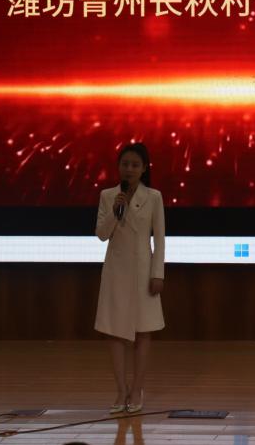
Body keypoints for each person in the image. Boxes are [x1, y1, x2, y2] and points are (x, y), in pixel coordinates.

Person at [95, 142, 165, 414]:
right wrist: (115, 212)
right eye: (125, 164)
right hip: (116, 271)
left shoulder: (154, 197)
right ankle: (121, 390)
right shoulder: (108, 195)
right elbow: (102, 234)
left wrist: (158, 273)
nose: (129, 169)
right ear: (118, 167)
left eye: (135, 165)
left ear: (144, 168)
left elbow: (159, 240)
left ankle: (137, 389)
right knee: (114, 330)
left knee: (143, 330)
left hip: (143, 270)